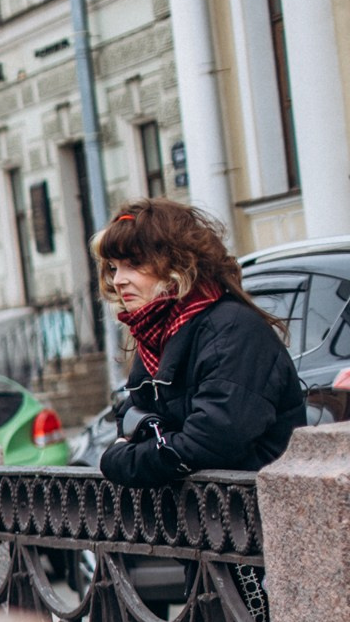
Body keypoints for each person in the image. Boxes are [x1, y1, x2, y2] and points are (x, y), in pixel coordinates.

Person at [94, 198, 306, 488]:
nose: (119, 280)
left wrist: (118, 460)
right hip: (201, 519)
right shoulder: (159, 333)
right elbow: (132, 419)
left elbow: (211, 442)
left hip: (253, 515)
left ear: (177, 262)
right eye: (114, 267)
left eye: (133, 264)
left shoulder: (232, 329)